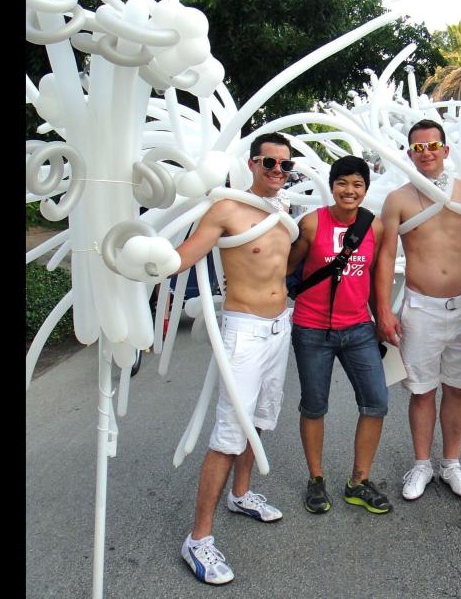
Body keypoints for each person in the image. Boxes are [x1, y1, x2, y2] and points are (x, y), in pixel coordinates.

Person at [174, 133, 296, 586]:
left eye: (286, 165)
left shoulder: (284, 215)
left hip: (280, 326)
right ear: (252, 163)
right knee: (229, 431)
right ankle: (198, 538)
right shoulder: (227, 209)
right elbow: (187, 254)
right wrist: (143, 262)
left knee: (262, 418)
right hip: (243, 331)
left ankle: (241, 493)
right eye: (270, 162)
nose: (278, 171)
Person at [374, 119, 461, 501]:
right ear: (410, 154)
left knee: (458, 389)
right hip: (421, 308)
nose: (426, 153)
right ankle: (422, 464)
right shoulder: (398, 199)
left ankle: (452, 463)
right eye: (418, 148)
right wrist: (383, 309)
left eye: (432, 146)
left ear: (445, 150)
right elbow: (384, 256)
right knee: (422, 390)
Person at [287, 155, 392, 516]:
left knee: (376, 402)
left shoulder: (373, 228)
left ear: (365, 188)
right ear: (332, 186)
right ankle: (316, 479)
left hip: (359, 329)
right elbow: (286, 267)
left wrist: (383, 320)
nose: (349, 190)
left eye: (357, 184)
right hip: (311, 329)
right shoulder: (312, 223)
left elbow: (377, 281)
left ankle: (358, 482)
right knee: (315, 406)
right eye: (342, 183)